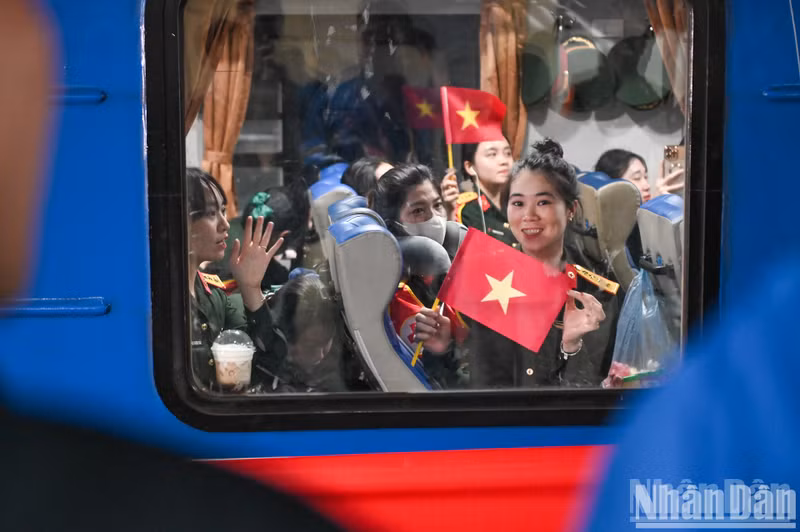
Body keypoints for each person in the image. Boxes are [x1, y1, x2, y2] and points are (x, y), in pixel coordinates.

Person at [416, 139, 621, 388]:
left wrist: (571, 347)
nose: (528, 215)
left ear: (570, 209)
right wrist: (443, 348)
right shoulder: (487, 275)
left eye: (543, 202)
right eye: (518, 203)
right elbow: (470, 385)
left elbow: (594, 393)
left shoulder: (594, 292)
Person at [187, 168, 285, 391]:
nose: (225, 224)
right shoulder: (153, 297)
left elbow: (269, 363)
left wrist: (251, 287)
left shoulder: (214, 294)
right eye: (211, 214)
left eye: (223, 211)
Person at [254, 273, 347, 393]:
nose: (320, 355)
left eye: (326, 342)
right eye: (310, 346)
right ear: (283, 340)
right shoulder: (260, 375)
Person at [454, 138, 518, 248]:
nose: (504, 161)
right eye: (492, 154)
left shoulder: (519, 203)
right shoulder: (466, 211)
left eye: (508, 153)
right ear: (470, 167)